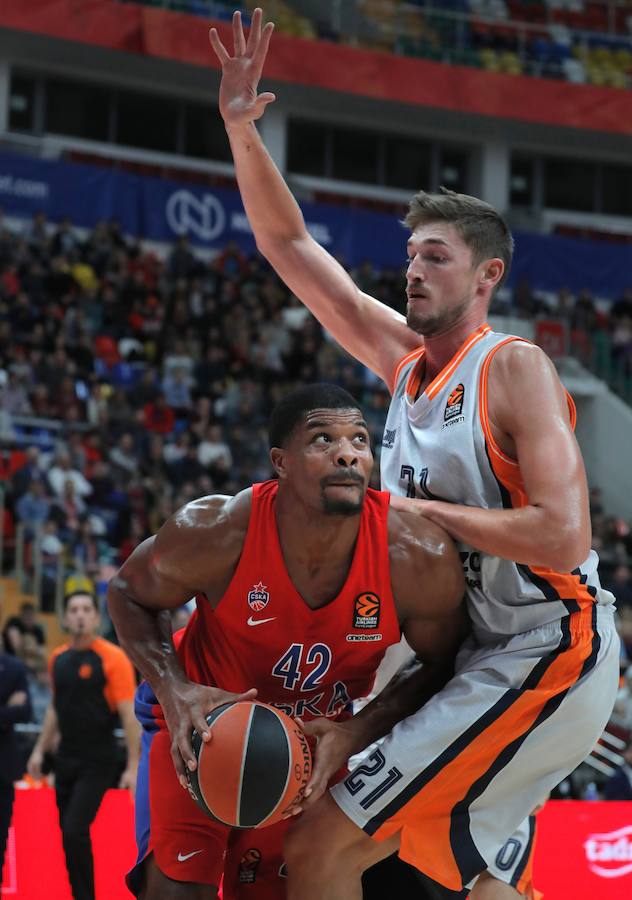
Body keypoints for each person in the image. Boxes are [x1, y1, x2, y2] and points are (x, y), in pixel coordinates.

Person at [209, 10, 620, 899]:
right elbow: (290, 248)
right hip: (473, 655)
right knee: (460, 884)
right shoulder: (403, 368)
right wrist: (244, 130)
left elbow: (560, 536)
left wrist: (414, 514)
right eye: (410, 256)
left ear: (487, 277)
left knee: (321, 849)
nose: (414, 271)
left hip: (548, 647)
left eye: (436, 257)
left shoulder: (515, 369)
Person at [107, 383, 466, 900]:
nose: (347, 451)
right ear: (281, 462)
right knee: (178, 892)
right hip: (202, 730)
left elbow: (441, 662)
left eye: (359, 439)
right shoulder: (218, 529)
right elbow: (128, 592)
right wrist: (173, 689)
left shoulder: (414, 554)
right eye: (323, 439)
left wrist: (358, 730)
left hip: (311, 746)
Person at [27, 591, 139, 900]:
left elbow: (129, 715)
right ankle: (81, 894)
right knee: (69, 835)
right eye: (73, 609)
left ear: (95, 617)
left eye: (85, 609)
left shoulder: (112, 657)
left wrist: (133, 764)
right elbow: (53, 708)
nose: (79, 615)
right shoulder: (58, 659)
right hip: (66, 759)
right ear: (65, 618)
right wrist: (39, 749)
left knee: (75, 829)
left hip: (98, 758)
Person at [0, 609, 32, 886]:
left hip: (3, 769)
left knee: (0, 841)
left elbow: (24, 710)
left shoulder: (13, 667)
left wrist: (13, 709)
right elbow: (14, 708)